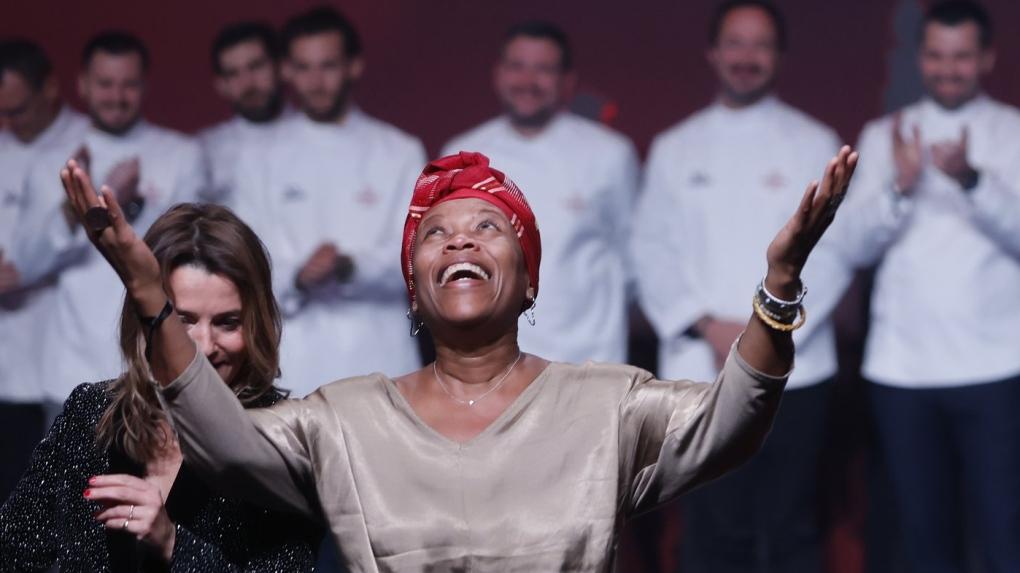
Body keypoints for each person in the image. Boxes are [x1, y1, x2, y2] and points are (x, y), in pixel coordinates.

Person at [59, 141, 858, 570]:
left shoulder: (609, 402)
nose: (462, 238)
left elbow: (734, 423)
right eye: (436, 234)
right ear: (414, 289)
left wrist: (780, 282)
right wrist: (148, 292)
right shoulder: (346, 415)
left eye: (489, 227)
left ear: (529, 281)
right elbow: (223, 445)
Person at [631, 2, 852, 570]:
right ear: (713, 53)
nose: (746, 57)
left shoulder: (814, 140)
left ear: (778, 57)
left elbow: (835, 252)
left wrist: (762, 328)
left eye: (759, 45)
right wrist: (707, 323)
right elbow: (650, 252)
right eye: (735, 43)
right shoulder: (676, 147)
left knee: (795, 528)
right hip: (699, 372)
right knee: (708, 532)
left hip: (796, 370)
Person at [0, 203, 321, 571]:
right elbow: (13, 552)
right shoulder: (92, 411)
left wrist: (173, 543)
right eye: (181, 320)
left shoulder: (285, 442)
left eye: (228, 323)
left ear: (257, 325)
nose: (203, 346)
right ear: (145, 317)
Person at [841, 1, 1020, 570]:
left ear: (986, 57)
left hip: (998, 366)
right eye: (937, 57)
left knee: (1003, 531)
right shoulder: (882, 136)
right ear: (921, 58)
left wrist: (972, 182)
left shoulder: (1014, 133)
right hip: (903, 370)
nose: (949, 69)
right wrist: (899, 187)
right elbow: (850, 247)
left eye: (962, 56)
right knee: (920, 538)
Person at [230, 6, 426, 395]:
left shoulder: (399, 151)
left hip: (383, 360)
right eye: (303, 68)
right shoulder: (258, 156)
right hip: (293, 362)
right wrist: (298, 277)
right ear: (286, 71)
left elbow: (418, 255)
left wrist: (349, 266)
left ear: (354, 66)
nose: (316, 81)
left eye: (328, 66)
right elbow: (245, 261)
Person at [13, 31, 205, 401]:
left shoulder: (181, 154)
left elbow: (187, 254)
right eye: (105, 84)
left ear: (145, 86)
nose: (117, 97)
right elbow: (26, 262)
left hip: (157, 364)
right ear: (83, 85)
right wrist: (80, 205)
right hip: (72, 368)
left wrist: (125, 205)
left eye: (128, 85)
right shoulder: (51, 158)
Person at [441, 21, 639, 364]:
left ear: (567, 81)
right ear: (499, 74)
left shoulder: (610, 154)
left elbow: (634, 263)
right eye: (517, 67)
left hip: (589, 358)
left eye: (543, 70)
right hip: (488, 360)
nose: (528, 82)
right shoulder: (464, 153)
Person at [0, 38, 89, 500]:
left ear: (51, 88)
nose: (10, 123)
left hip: (62, 358)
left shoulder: (89, 143)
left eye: (19, 110)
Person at [198, 21, 288, 205]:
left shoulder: (323, 136)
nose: (247, 82)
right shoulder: (205, 151)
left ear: (280, 67)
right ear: (221, 85)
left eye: (256, 66)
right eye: (233, 73)